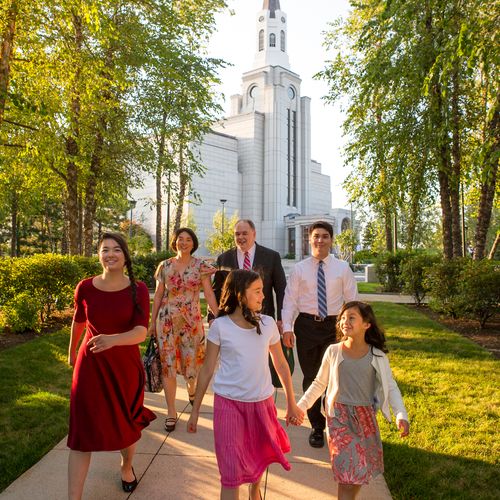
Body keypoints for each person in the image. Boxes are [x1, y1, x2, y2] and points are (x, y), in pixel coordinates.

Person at [187, 269, 304, 500]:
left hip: (261, 404)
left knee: (257, 457)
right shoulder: (220, 326)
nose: (263, 296)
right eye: (258, 291)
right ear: (241, 295)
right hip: (228, 405)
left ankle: (254, 488)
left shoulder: (268, 324)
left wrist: (291, 403)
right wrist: (195, 411)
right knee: (230, 473)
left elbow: (281, 365)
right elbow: (208, 369)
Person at [67, 233, 156, 499]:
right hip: (90, 366)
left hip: (124, 368)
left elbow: (141, 332)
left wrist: (112, 340)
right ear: (99, 255)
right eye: (105, 250)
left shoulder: (137, 289)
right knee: (82, 433)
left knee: (125, 427)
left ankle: (126, 466)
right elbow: (79, 321)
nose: (111, 254)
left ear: (125, 255)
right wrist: (72, 352)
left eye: (117, 249)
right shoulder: (85, 286)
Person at [296, 301, 410, 500]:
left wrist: (401, 414)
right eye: (342, 318)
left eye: (351, 317)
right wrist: (300, 407)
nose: (344, 321)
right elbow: (318, 384)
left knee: (357, 475)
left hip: (365, 418)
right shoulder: (334, 351)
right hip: (338, 418)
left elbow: (390, 387)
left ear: (367, 324)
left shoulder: (377, 356)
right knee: (346, 473)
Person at [282, 221, 358, 448]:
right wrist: (287, 328)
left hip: (335, 327)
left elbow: (353, 302)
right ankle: (317, 425)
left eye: (325, 236)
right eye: (316, 236)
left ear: (331, 240)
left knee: (335, 377)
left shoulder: (342, 268)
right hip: (306, 326)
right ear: (309, 239)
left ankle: (335, 422)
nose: (320, 240)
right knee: (311, 377)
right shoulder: (299, 269)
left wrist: (355, 331)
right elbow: (290, 301)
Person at [149, 227, 219, 433]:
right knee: (168, 365)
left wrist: (220, 317)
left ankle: (191, 389)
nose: (184, 242)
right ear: (175, 241)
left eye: (188, 239)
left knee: (192, 366)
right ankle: (171, 412)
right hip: (167, 323)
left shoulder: (201, 266)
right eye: (180, 239)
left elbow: (209, 293)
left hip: (191, 323)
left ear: (193, 243)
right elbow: (159, 294)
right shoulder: (165, 266)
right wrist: (153, 323)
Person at [210, 219, 286, 331]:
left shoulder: (271, 257)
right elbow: (217, 291)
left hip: (262, 318)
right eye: (237, 234)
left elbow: (281, 290)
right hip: (232, 319)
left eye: (245, 233)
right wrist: (212, 316)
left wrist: (281, 318)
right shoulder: (224, 258)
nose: (241, 237)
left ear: (254, 234)